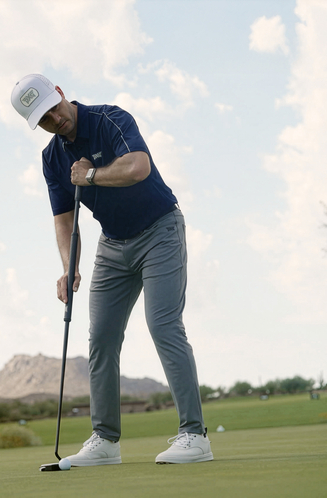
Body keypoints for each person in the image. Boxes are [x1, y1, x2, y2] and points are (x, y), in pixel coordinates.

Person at [11, 74, 213, 466]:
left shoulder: (109, 119)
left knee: (163, 325)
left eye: (54, 108)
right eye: (44, 119)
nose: (55, 119)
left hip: (160, 230)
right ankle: (105, 441)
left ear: (61, 93)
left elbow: (138, 167)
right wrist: (69, 268)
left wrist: (89, 176)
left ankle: (195, 435)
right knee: (101, 338)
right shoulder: (52, 158)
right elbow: (64, 220)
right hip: (113, 245)